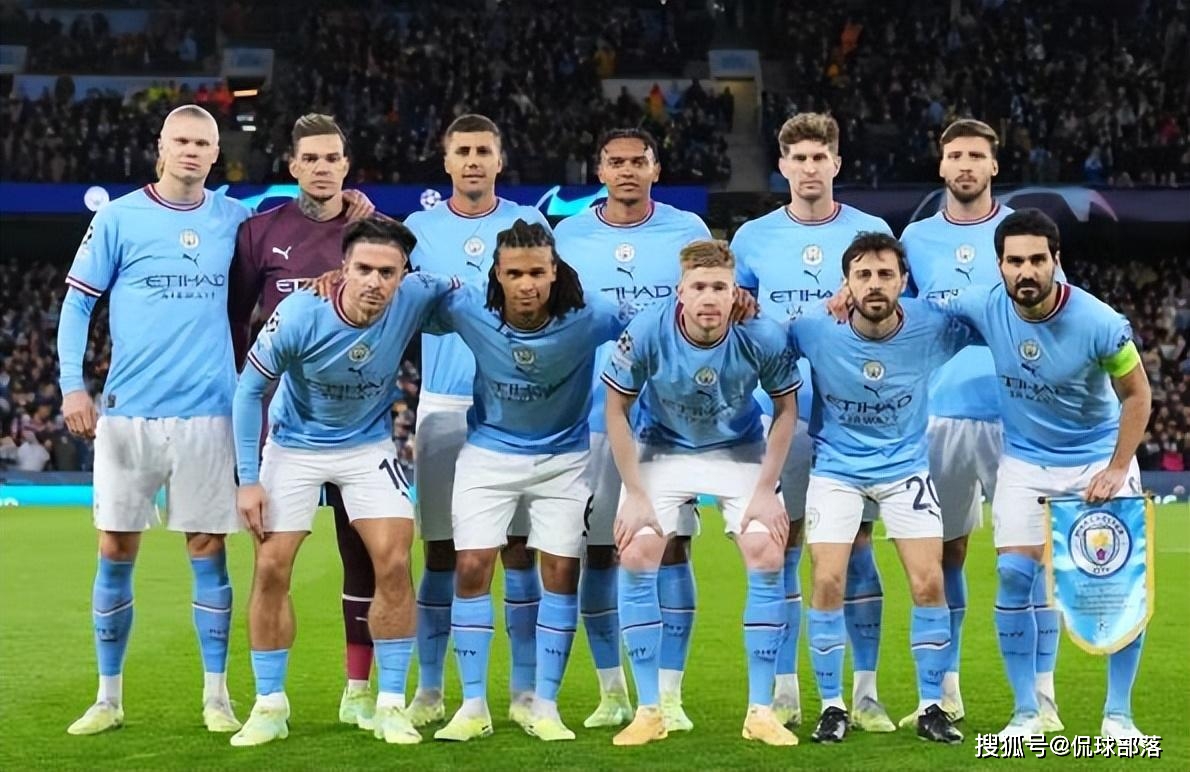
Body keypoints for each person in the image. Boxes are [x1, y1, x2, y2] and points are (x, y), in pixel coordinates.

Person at [228, 216, 458, 747]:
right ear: (343, 268)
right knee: (271, 566)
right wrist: (248, 479)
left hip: (367, 447)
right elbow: (248, 392)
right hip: (294, 446)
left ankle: (390, 704)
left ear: (403, 274)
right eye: (364, 269)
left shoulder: (416, 295)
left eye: (387, 272)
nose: (375, 281)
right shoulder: (300, 313)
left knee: (394, 560)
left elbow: (462, 289)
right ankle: (269, 705)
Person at [59, 105, 249, 736]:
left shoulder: (235, 219)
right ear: (160, 147)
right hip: (128, 412)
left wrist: (354, 204)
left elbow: (296, 239)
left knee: (208, 551)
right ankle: (108, 698)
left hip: (209, 413)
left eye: (203, 142)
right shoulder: (118, 217)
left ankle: (217, 697)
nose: (191, 151)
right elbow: (77, 305)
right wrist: (72, 387)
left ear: (216, 154)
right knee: (115, 549)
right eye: (181, 141)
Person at [940, 209, 1150, 739]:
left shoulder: (1099, 322)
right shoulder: (985, 305)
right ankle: (1027, 712)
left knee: (1120, 584)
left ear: (1057, 260)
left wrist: (1117, 467)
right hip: (1026, 461)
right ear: (999, 265)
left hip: (1096, 459)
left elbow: (1137, 395)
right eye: (1015, 261)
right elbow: (917, 306)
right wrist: (848, 297)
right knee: (1014, 576)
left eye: (1037, 259)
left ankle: (1118, 715)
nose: (1026, 271)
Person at [427, 220, 631, 743]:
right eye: (515, 274)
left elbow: (653, 328)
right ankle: (472, 706)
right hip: (487, 457)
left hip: (563, 461)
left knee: (560, 572)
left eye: (537, 273)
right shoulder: (468, 308)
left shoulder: (591, 315)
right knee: (471, 565)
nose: (526, 285)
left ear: (554, 271)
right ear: (497, 274)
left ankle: (545, 706)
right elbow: (404, 306)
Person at [729, 112, 895, 731]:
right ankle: (785, 690)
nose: (808, 168)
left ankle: (867, 692)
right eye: (797, 158)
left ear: (836, 164)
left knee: (857, 549)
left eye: (819, 157)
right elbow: (739, 316)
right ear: (782, 166)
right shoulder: (752, 238)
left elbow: (895, 312)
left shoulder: (870, 232)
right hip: (783, 414)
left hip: (853, 412)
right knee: (783, 545)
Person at [602, 240, 800, 747]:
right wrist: (635, 493)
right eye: (699, 287)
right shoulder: (648, 329)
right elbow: (616, 410)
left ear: (736, 293)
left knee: (767, 551)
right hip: (661, 447)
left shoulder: (762, 334)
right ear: (681, 292)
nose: (709, 297)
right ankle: (649, 711)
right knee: (637, 551)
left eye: (719, 287)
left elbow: (786, 411)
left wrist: (765, 489)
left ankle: (761, 711)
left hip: (739, 449)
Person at [227, 113, 382, 729]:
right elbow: (236, 320)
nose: (322, 167)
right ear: (292, 166)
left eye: (332, 157)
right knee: (271, 560)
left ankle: (358, 691)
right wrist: (245, 400)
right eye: (310, 158)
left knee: (363, 556)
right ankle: (270, 701)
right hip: (283, 429)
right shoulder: (261, 232)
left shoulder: (371, 232)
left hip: (359, 424)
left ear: (347, 165)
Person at [556, 128, 711, 732]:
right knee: (599, 552)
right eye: (615, 162)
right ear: (599, 171)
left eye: (637, 161)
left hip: (669, 421)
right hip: (592, 417)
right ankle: (613, 692)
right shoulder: (569, 236)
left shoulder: (687, 232)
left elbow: (710, 308)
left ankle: (669, 694)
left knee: (671, 547)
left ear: (655, 168)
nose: (626, 170)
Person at [402, 114, 554, 730]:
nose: (472, 160)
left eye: (482, 150)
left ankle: (523, 691)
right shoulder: (418, 229)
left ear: (499, 159)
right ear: (446, 161)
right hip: (442, 406)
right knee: (442, 553)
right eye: (462, 150)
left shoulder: (529, 224)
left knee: (518, 552)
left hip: (515, 406)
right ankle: (431, 689)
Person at [790, 232, 969, 745]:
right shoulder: (814, 328)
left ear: (903, 281)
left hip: (905, 470)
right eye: (863, 274)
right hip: (837, 470)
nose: (874, 284)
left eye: (885, 274)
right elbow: (761, 342)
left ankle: (932, 706)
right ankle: (832, 706)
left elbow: (998, 326)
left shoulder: (932, 325)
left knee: (929, 582)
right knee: (828, 580)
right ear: (845, 283)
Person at [897, 119, 1023, 728]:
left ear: (993, 165)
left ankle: (1039, 700)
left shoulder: (1022, 230)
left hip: (1016, 413)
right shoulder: (916, 238)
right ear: (941, 165)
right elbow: (901, 319)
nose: (966, 164)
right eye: (955, 155)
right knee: (946, 552)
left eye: (976, 154)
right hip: (939, 413)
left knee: (1025, 558)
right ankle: (946, 689)